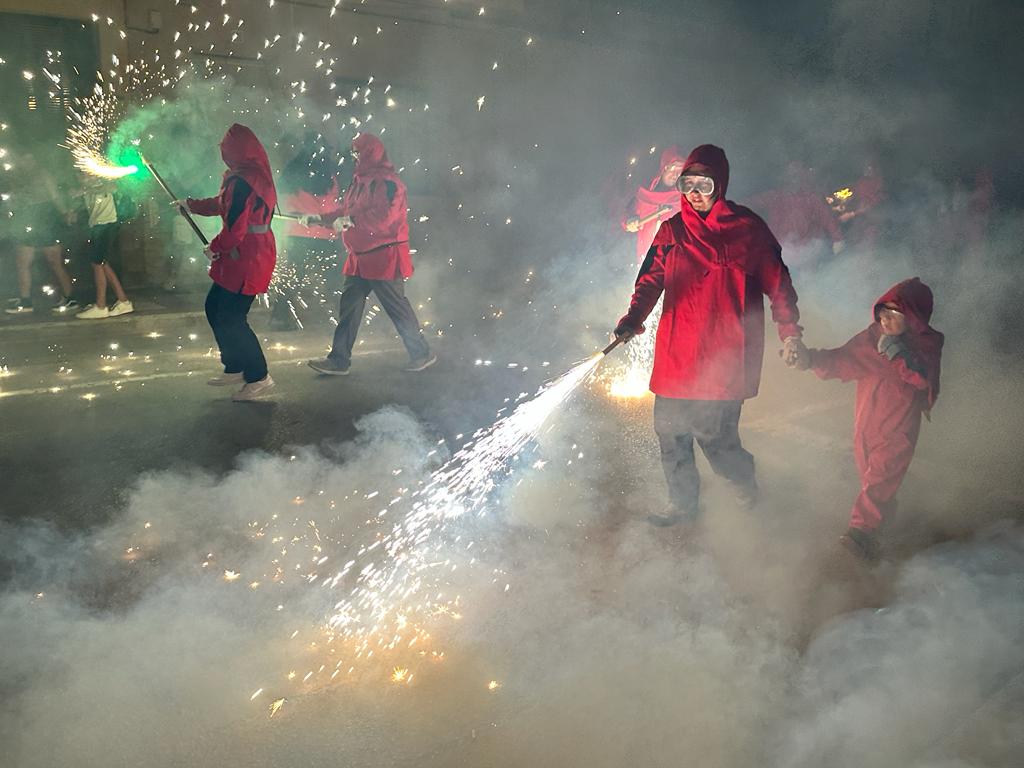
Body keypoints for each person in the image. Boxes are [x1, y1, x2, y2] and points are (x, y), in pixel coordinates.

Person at [613, 144, 805, 527]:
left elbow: (779, 285)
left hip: (727, 355)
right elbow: (649, 281)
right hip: (677, 353)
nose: (695, 193)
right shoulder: (672, 231)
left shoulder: (748, 230)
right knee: (671, 435)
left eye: (704, 184)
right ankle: (683, 505)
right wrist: (633, 319)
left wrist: (790, 332)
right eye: (688, 184)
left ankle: (743, 482)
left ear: (721, 184)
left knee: (715, 439)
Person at [792, 278, 943, 561]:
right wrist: (809, 360)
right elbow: (843, 359)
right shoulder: (873, 339)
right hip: (865, 425)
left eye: (894, 314)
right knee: (872, 480)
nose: (885, 320)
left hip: (897, 430)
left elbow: (923, 380)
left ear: (914, 317)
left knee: (878, 481)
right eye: (882, 312)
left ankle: (860, 535)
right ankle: (882, 531)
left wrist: (897, 354)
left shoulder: (925, 344)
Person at [303, 132, 435, 375]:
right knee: (349, 308)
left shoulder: (389, 183)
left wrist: (350, 221)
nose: (354, 157)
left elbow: (384, 218)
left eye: (358, 152)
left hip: (383, 256)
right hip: (360, 257)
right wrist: (319, 219)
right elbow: (346, 211)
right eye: (353, 152)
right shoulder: (359, 181)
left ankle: (422, 353)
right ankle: (339, 360)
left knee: (396, 308)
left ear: (370, 154)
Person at [175, 124, 278, 401]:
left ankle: (258, 376)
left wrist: (215, 247)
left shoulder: (244, 181)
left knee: (233, 317)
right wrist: (191, 205)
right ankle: (235, 365)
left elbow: (235, 229)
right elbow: (223, 204)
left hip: (248, 257)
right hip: (241, 255)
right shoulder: (245, 177)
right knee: (214, 306)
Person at [4, 152, 78, 315]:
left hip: (46, 219)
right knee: (22, 261)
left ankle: (70, 298)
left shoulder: (43, 174)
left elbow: (55, 196)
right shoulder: (18, 177)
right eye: (24, 158)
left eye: (30, 158)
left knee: (54, 261)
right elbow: (15, 200)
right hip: (27, 220)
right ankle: (25, 300)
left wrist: (65, 213)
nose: (26, 162)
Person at [749, 161, 844, 272]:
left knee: (807, 276)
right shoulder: (775, 196)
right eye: (789, 175)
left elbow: (828, 218)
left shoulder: (811, 198)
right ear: (783, 178)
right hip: (778, 250)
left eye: (795, 175)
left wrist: (838, 239)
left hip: (806, 251)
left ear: (802, 176)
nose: (792, 179)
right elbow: (752, 203)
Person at [75, 176, 134, 319]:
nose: (82, 176)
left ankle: (101, 306)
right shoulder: (86, 186)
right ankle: (123, 301)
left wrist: (87, 189)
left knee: (97, 263)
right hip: (97, 226)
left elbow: (111, 187)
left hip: (107, 224)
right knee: (102, 263)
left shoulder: (105, 179)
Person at [622, 146, 685, 264]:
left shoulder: (684, 199)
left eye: (680, 170)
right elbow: (627, 214)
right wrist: (629, 223)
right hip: (646, 261)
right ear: (664, 167)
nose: (676, 174)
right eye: (673, 168)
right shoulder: (644, 194)